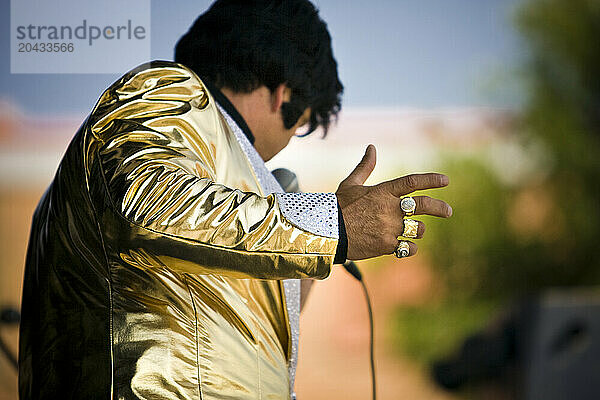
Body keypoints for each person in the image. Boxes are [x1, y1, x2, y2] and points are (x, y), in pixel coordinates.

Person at [18, 0, 452, 399]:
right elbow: (150, 208)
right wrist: (331, 225)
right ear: (285, 94)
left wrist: (293, 277)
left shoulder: (202, 164)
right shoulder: (166, 88)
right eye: (299, 126)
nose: (282, 147)